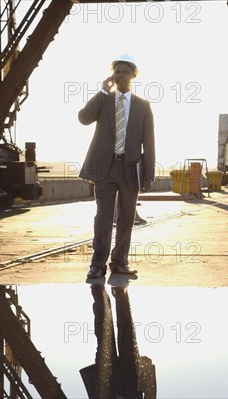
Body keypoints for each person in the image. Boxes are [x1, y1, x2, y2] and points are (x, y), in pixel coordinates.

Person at [78, 54, 155, 279]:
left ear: (133, 76)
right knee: (102, 217)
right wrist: (102, 92)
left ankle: (120, 262)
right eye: (117, 71)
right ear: (113, 75)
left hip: (130, 168)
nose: (121, 75)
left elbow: (149, 141)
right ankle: (97, 265)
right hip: (105, 166)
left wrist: (149, 173)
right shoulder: (104, 101)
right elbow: (83, 118)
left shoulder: (143, 106)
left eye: (125, 71)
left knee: (126, 217)